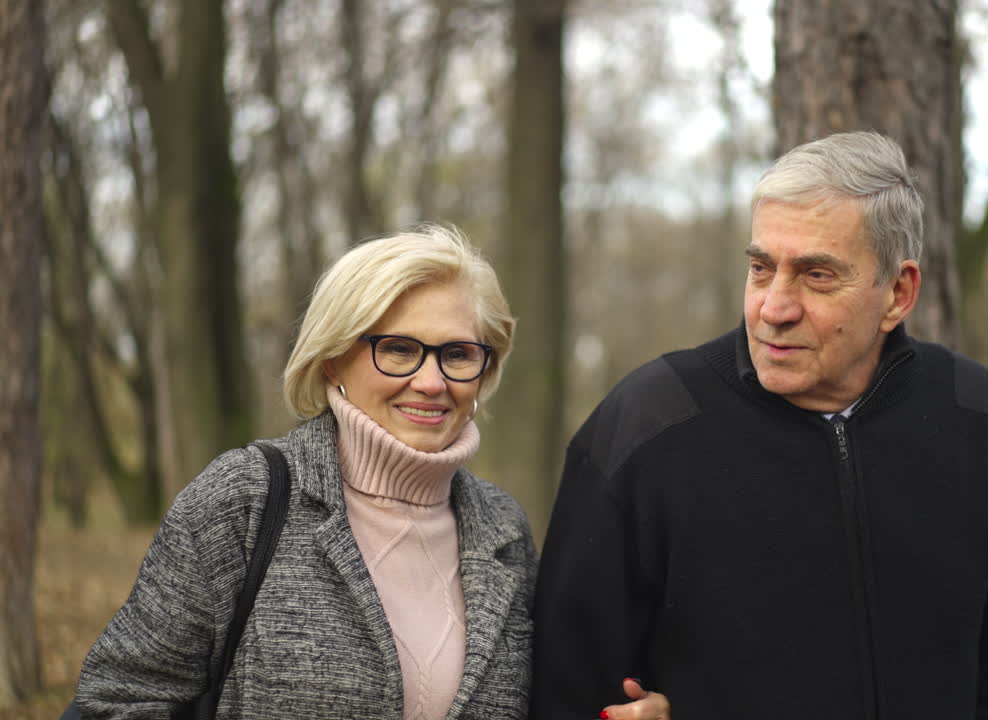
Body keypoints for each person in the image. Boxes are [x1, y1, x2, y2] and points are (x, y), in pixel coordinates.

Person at [531, 132, 988, 719]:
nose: (774, 307)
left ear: (898, 292)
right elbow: (568, 684)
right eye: (762, 269)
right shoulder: (649, 423)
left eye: (816, 276)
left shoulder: (986, 424)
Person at [73, 225, 670, 720]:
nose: (432, 382)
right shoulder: (244, 500)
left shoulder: (504, 531)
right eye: (400, 349)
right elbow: (117, 702)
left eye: (458, 354)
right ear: (334, 356)